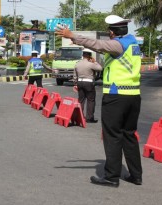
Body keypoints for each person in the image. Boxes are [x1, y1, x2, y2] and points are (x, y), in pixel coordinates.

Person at [55, 15, 143, 187]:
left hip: (116, 96)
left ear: (112, 32)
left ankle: (111, 177)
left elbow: (98, 44)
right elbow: (105, 50)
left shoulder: (118, 44)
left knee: (112, 136)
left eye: (110, 31)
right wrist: (81, 43)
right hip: (133, 96)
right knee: (129, 135)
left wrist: (73, 36)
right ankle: (136, 175)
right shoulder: (132, 44)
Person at [73, 49, 103, 123]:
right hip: (89, 83)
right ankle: (89, 118)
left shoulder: (77, 64)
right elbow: (100, 68)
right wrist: (95, 61)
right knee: (91, 100)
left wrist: (75, 83)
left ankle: (79, 116)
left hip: (80, 82)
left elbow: (74, 75)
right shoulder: (90, 64)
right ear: (89, 56)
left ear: (83, 55)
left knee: (81, 100)